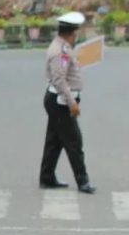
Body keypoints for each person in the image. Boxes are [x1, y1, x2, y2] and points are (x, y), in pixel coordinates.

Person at [38, 11, 96, 194]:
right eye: (76, 32)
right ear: (71, 33)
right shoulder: (60, 52)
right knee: (74, 142)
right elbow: (59, 80)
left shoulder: (63, 47)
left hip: (58, 100)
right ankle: (83, 181)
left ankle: (47, 177)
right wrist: (72, 103)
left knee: (54, 141)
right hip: (61, 102)